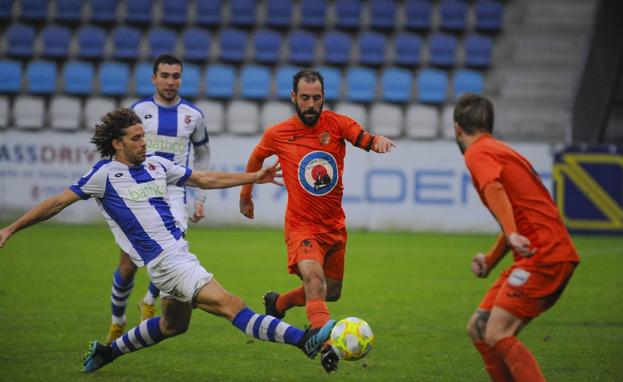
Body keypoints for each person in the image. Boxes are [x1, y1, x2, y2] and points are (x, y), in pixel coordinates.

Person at [0, 108, 335, 374]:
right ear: (117, 144)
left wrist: (255, 176)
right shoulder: (103, 176)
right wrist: (10, 229)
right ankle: (303, 340)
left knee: (173, 326)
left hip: (177, 256)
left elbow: (204, 178)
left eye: (143, 136)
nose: (144, 143)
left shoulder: (157, 163)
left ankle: (107, 352)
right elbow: (56, 203)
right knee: (233, 305)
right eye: (135, 138)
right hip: (168, 263)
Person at [239, 69, 396, 373]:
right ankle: (325, 346)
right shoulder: (279, 133)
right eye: (305, 98)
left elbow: (361, 137)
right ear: (293, 97)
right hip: (302, 226)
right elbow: (256, 158)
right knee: (314, 279)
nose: (311, 104)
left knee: (331, 292)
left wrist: (376, 142)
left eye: (317, 98)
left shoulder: (336, 124)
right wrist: (246, 195)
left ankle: (280, 303)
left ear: (323, 97)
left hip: (334, 225)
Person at [453, 93, 580, 382]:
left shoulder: (478, 153)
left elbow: (493, 188)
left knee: (497, 331)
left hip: (544, 255)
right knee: (479, 328)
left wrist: (511, 234)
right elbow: (515, 212)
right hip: (536, 253)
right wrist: (491, 259)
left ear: (457, 128)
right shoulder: (498, 150)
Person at [106, 54, 212, 343]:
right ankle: (117, 321)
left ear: (181, 78)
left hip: (174, 193)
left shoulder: (194, 116)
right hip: (141, 191)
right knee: (128, 265)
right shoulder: (138, 110)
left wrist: (199, 198)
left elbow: (203, 157)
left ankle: (150, 301)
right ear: (154, 78)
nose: (170, 81)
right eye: (164, 75)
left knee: (171, 251)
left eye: (175, 76)